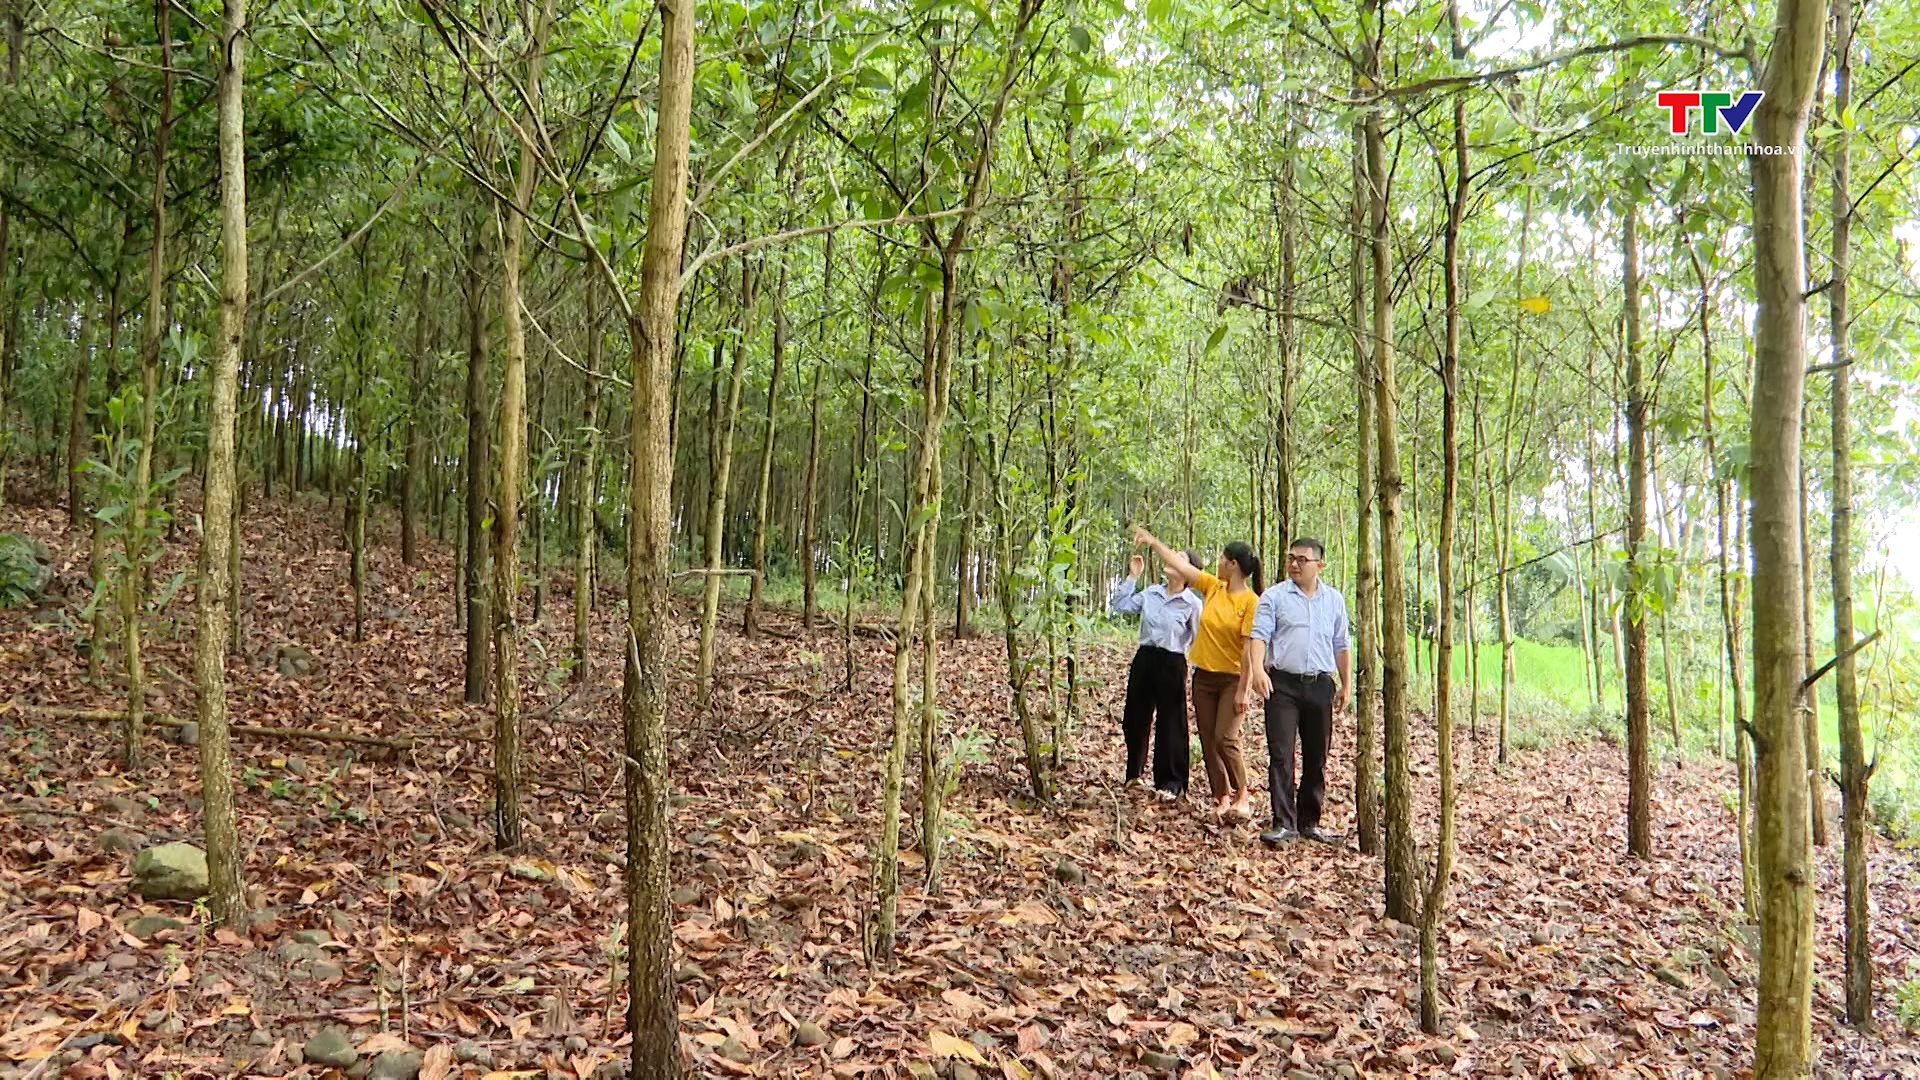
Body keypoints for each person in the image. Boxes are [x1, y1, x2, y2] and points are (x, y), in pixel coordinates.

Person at [1134, 527, 1263, 824]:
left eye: (1221, 558)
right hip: (1203, 677)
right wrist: (1154, 541)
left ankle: (1243, 795)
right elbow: (1181, 566)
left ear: (1233, 565)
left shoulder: (1251, 602)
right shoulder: (1212, 587)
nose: (1216, 563)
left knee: (1225, 738)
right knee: (1207, 740)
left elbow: (1247, 651)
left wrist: (1244, 690)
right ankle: (1222, 798)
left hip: (1231, 679)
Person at [1248, 536, 1352, 845]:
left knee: (1316, 756)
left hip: (1319, 685)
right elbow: (1259, 635)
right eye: (1291, 558)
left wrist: (1346, 684)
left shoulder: (1334, 600)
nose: (1294, 564)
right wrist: (1256, 670)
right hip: (1282, 685)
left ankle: (1310, 821)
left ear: (1319, 565)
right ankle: (1284, 823)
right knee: (1281, 753)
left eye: (1302, 560)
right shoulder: (1274, 597)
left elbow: (1341, 644)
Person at [1108, 547, 1207, 799]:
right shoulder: (1151, 593)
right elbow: (1120, 606)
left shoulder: (1193, 604)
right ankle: (1134, 775)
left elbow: (1198, 641)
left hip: (1172, 663)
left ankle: (1170, 782)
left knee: (1171, 723)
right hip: (1145, 658)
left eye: (1180, 559)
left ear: (1189, 572)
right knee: (1134, 717)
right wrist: (1132, 576)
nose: (1171, 559)